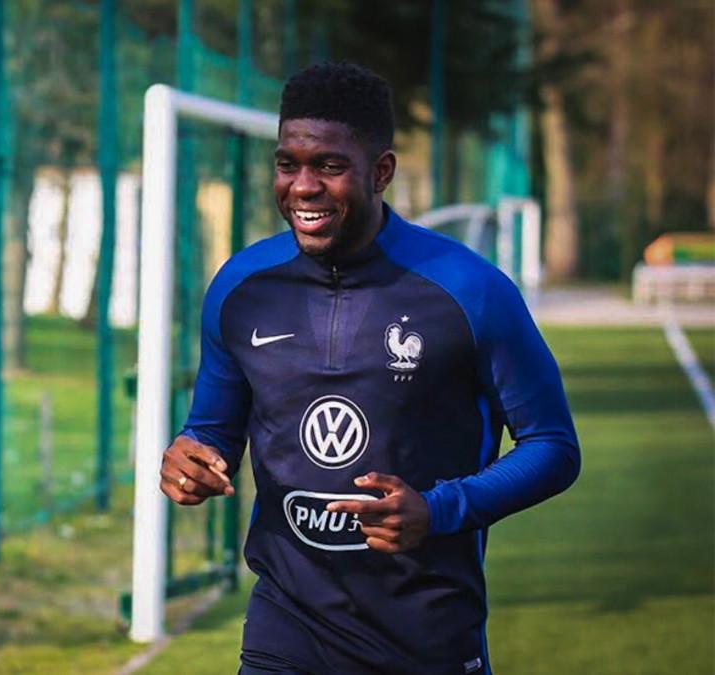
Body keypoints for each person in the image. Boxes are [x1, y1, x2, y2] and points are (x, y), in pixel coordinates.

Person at [159, 62, 580, 674]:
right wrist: (190, 458)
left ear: (381, 171)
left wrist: (439, 510)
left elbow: (553, 446)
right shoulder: (241, 286)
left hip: (427, 636)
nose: (303, 187)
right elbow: (211, 430)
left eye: (329, 166)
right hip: (287, 629)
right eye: (287, 164)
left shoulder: (470, 291)